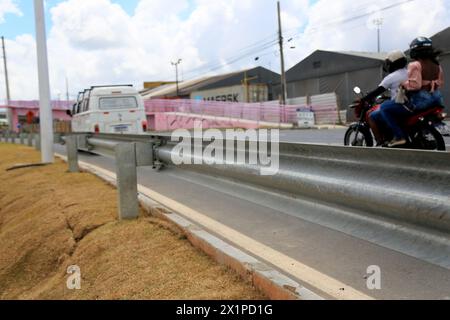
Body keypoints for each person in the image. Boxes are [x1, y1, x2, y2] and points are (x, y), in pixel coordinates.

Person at [380, 37, 445, 147]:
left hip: (421, 100)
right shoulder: (437, 65)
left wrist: (404, 84)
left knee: (385, 107)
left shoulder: (415, 65)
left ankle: (399, 137)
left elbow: (415, 85)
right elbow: (439, 83)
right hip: (436, 97)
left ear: (415, 51)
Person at [361, 50, 408, 145]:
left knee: (372, 116)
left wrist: (363, 99)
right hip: (410, 104)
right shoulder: (409, 72)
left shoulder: (391, 77)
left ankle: (381, 141)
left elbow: (378, 91)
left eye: (388, 63)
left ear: (393, 63)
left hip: (400, 106)